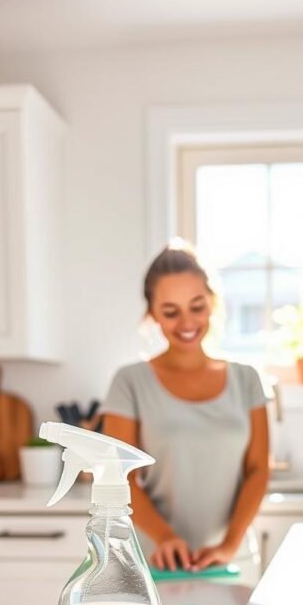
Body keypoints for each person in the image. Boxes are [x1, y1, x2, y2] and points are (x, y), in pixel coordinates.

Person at [102, 241, 269, 577]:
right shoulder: (129, 381)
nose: (187, 322)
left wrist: (228, 545)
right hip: (156, 562)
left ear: (212, 303)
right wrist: (165, 537)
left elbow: (258, 469)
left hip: (231, 561)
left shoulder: (246, 378)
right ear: (151, 313)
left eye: (197, 306)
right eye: (170, 311)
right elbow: (118, 477)